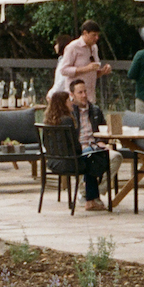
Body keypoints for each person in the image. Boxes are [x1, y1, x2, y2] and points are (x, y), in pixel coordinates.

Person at [65, 77, 114, 210]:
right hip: (80, 149)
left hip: (96, 146)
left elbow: (104, 130)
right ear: (72, 95)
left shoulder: (95, 110)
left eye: (85, 91)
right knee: (91, 157)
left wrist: (102, 141)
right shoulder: (69, 113)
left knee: (116, 157)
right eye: (80, 92)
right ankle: (91, 196)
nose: (84, 95)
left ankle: (89, 193)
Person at [52, 20, 110, 97]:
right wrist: (85, 68)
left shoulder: (94, 47)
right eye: (94, 35)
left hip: (89, 95)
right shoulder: (73, 47)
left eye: (97, 35)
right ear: (85, 33)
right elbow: (64, 70)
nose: (96, 38)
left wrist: (102, 71)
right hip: (75, 96)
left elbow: (92, 73)